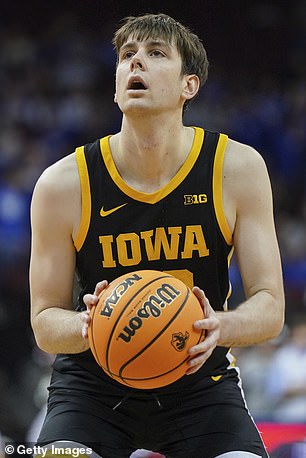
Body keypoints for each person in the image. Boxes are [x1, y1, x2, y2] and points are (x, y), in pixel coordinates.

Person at [29, 13, 285, 458]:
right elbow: (44, 320)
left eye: (155, 54)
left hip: (199, 380)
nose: (136, 64)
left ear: (190, 85)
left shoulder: (237, 169)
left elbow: (271, 305)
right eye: (127, 55)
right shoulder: (64, 183)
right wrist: (86, 325)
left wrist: (219, 325)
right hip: (93, 387)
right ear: (114, 84)